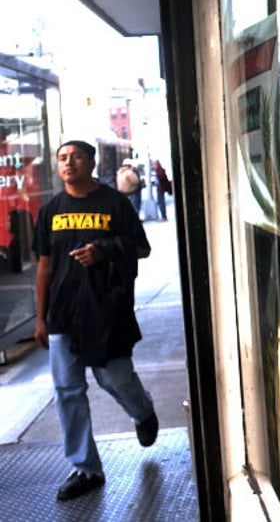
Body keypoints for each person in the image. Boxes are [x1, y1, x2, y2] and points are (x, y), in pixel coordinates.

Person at [33, 140, 158, 502]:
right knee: (67, 390)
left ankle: (143, 411)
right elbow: (44, 266)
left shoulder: (114, 203)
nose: (68, 163)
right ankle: (85, 468)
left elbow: (142, 248)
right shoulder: (50, 210)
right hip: (62, 314)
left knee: (114, 378)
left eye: (75, 157)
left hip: (106, 311)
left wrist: (104, 250)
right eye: (61, 158)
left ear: (91, 162)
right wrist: (40, 317)